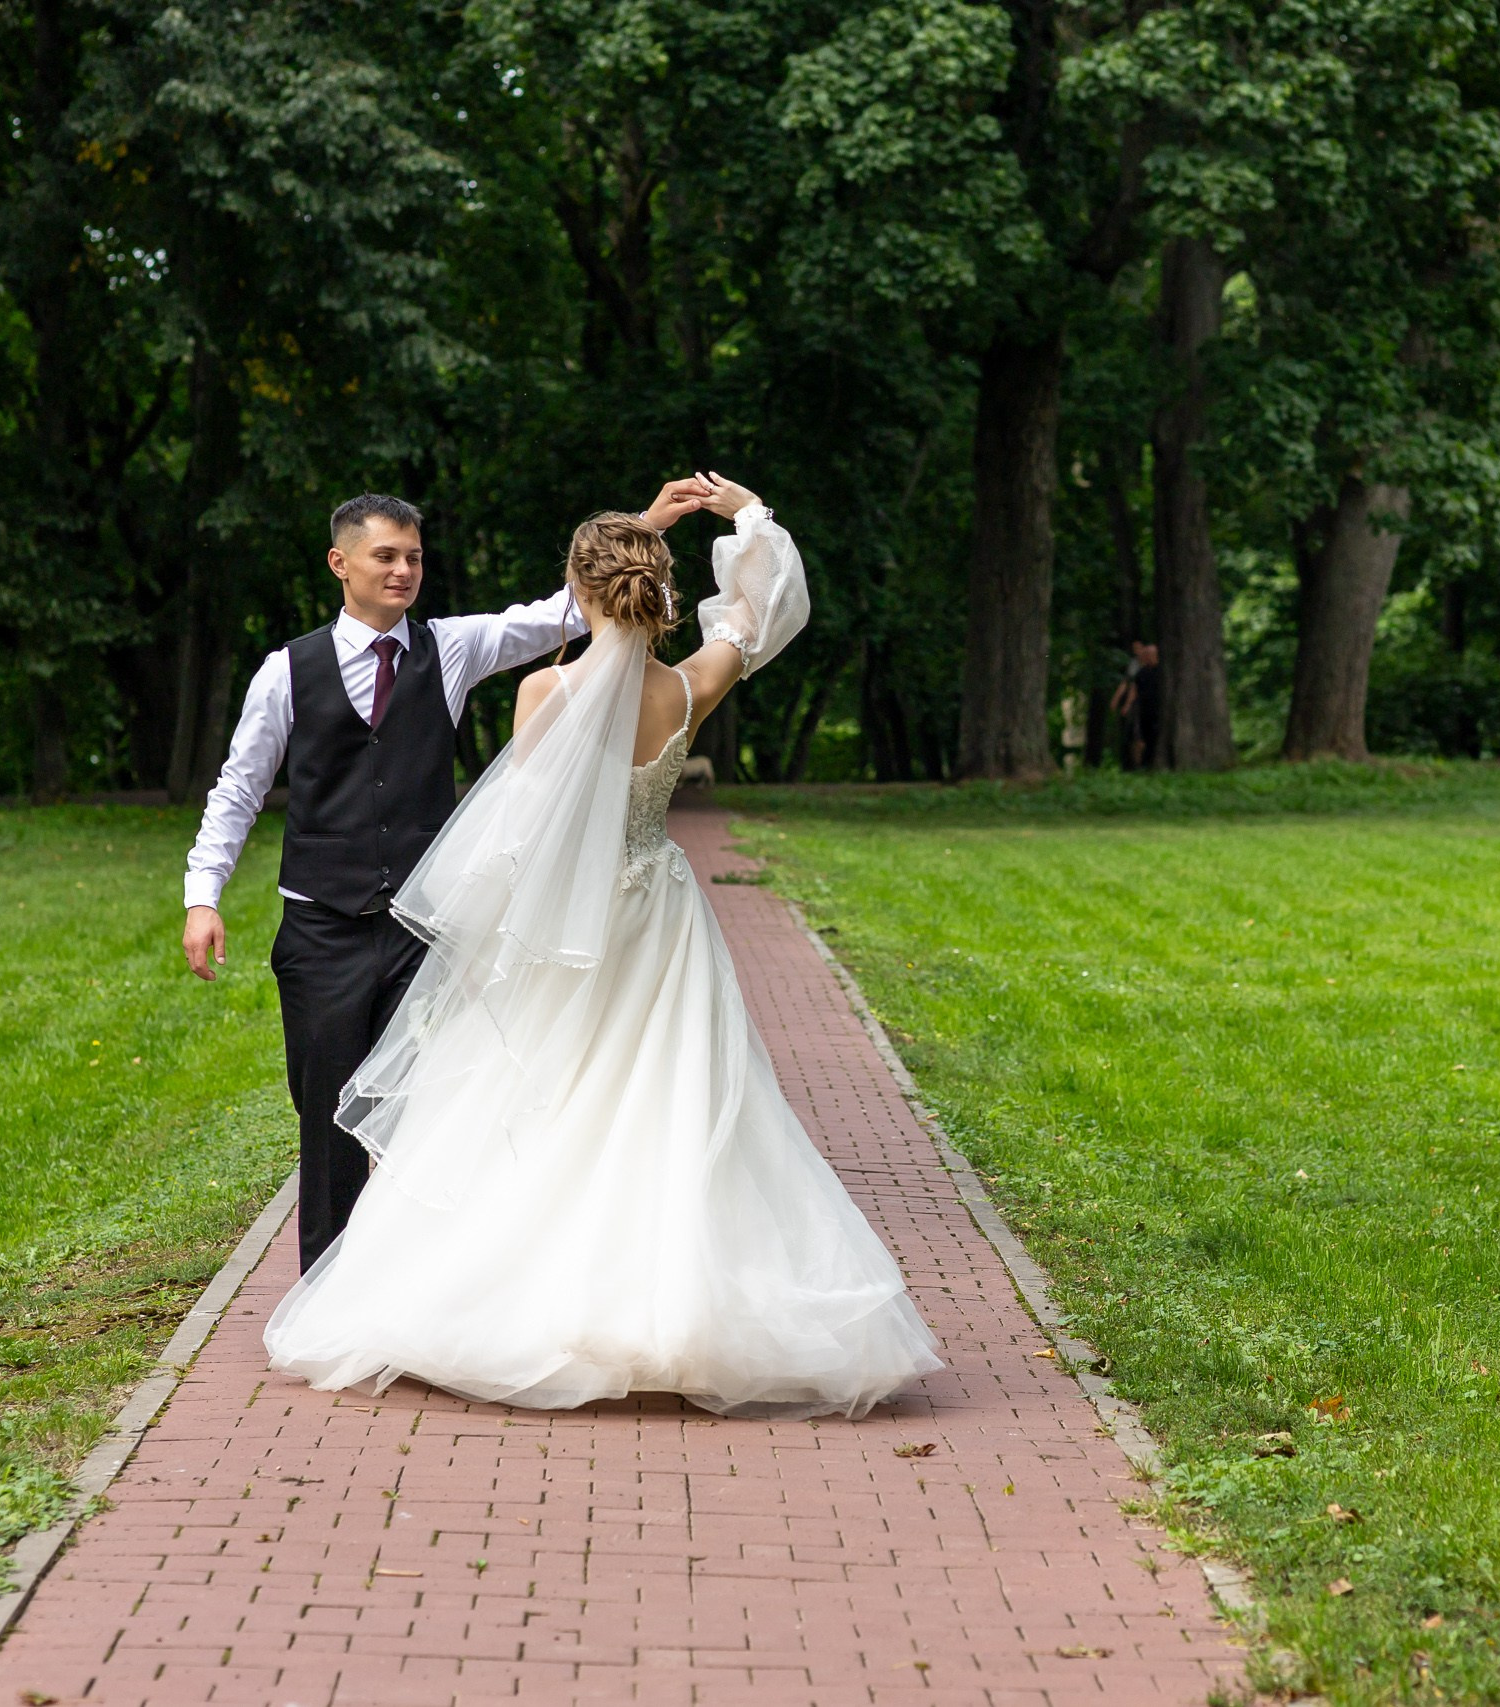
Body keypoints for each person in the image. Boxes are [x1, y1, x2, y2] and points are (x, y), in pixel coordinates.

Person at [263, 476, 943, 1419]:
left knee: (545, 1105)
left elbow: (525, 833)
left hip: (567, 933)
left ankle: (522, 1298)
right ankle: (677, 1307)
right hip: (658, 921)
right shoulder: (691, 686)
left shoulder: (545, 688)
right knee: (673, 1100)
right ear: (659, 592)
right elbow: (763, 610)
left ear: (577, 594)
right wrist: (748, 517)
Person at [182, 483, 712, 1272]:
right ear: (341, 563)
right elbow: (238, 788)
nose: (403, 571)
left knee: (431, 1106)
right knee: (327, 1113)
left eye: (414, 558)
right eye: (385, 556)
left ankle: (410, 1281)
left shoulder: (453, 647)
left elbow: (567, 610)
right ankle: (328, 1289)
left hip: (424, 928)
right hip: (321, 928)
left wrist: (643, 527)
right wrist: (203, 896)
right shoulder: (285, 672)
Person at [1110, 640, 1161, 768]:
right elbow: (1133, 687)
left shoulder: (1162, 671)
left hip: (1157, 708)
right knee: (1139, 737)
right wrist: (1126, 704)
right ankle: (1139, 765)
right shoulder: (1140, 671)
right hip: (1143, 708)